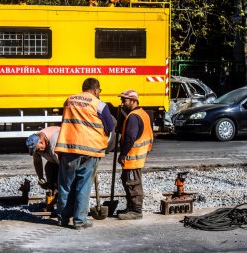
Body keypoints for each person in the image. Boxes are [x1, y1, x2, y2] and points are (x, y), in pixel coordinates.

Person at [54, 77, 114, 230]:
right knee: (83, 186)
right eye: (99, 91)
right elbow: (110, 126)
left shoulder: (69, 100)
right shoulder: (99, 104)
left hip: (68, 148)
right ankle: (79, 222)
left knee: (65, 186)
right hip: (90, 150)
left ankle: (63, 219)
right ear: (96, 90)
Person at [117, 89, 153, 220]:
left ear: (133, 101)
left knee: (133, 183)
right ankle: (131, 207)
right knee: (129, 182)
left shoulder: (133, 116)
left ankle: (136, 211)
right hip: (139, 156)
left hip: (133, 157)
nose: (122, 103)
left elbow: (130, 138)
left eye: (124, 100)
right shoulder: (143, 113)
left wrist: (122, 154)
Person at [26, 126, 61, 192]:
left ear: (42, 142)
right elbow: (37, 162)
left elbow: (64, 167)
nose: (39, 152)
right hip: (55, 159)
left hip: (67, 160)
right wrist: (41, 177)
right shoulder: (36, 144)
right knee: (49, 167)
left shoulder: (54, 143)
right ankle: (53, 192)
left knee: (60, 179)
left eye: (39, 150)